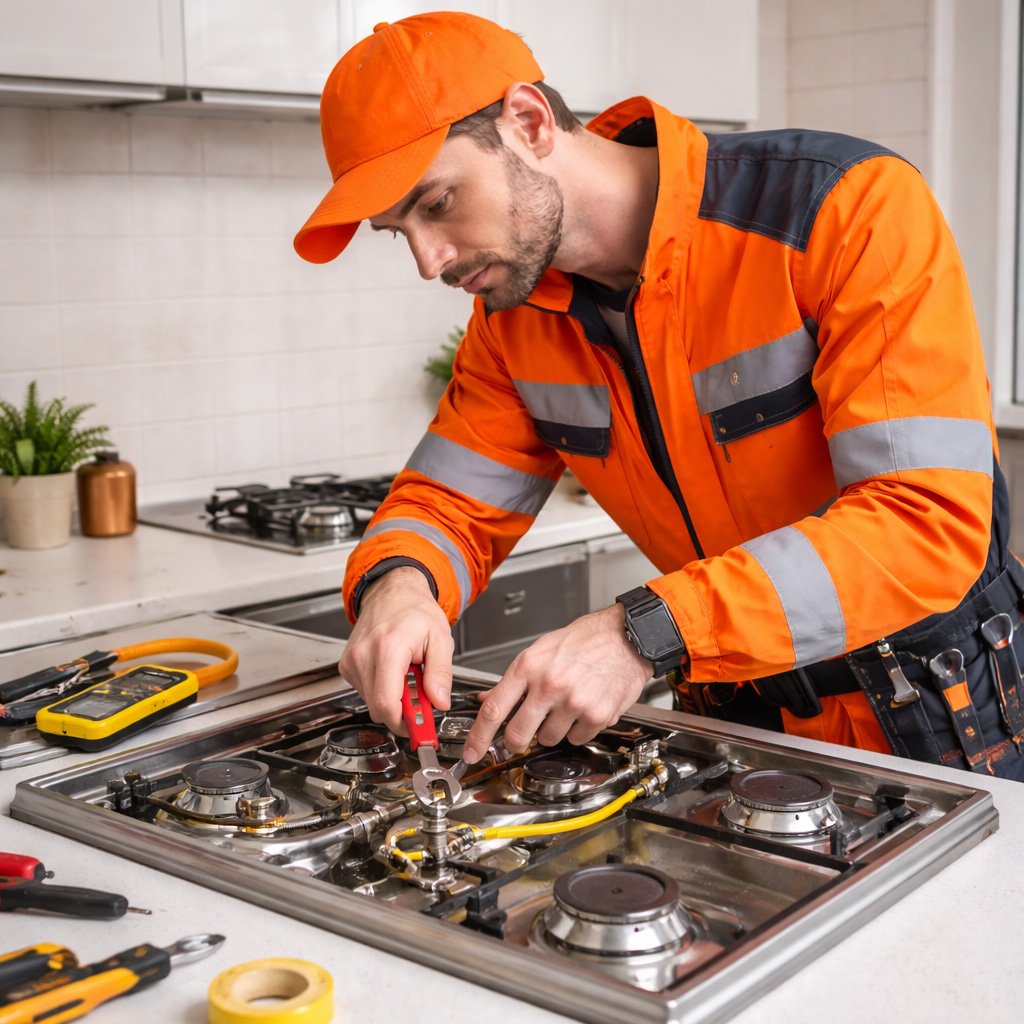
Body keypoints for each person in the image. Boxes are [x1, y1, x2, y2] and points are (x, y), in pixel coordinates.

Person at [294, 11, 1024, 782]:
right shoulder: (513, 325)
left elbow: (926, 524)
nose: (427, 259)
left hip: (944, 711)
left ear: (529, 121)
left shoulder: (845, 208)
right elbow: (446, 506)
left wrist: (642, 631)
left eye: (437, 203)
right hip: (736, 715)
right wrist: (399, 586)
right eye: (396, 229)